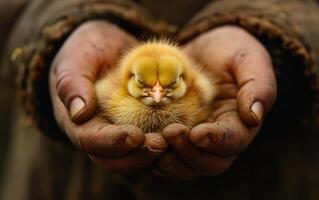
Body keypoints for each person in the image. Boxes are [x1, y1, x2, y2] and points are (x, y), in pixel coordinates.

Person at [1, 0, 319, 199]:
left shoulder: (199, 92)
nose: (156, 94)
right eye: (147, 86)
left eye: (166, 87)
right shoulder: (110, 90)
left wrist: (282, 54)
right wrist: (54, 29)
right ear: (127, 80)